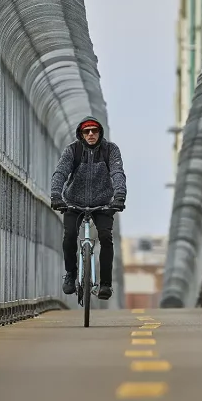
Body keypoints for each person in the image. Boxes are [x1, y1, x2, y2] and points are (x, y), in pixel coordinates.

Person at [50, 116, 127, 301]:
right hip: (74, 202)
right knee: (69, 236)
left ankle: (105, 284)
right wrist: (55, 195)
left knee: (106, 238)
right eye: (86, 131)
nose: (91, 134)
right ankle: (70, 274)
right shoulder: (72, 150)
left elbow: (117, 173)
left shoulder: (110, 150)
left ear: (100, 132)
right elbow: (61, 172)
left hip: (102, 203)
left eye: (94, 130)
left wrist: (119, 196)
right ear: (81, 134)